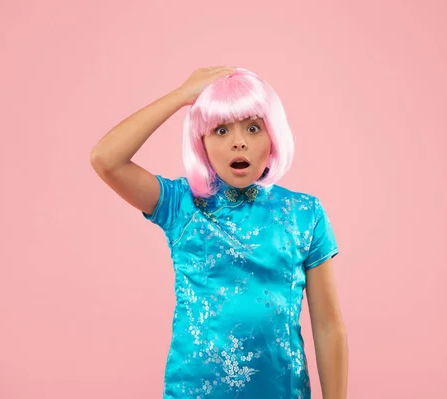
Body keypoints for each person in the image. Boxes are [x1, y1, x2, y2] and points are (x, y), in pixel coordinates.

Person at [90, 66, 348, 398]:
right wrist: (181, 97)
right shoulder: (180, 205)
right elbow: (105, 159)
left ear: (273, 137)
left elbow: (327, 327)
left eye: (253, 128)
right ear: (201, 142)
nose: (239, 142)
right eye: (221, 130)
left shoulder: (304, 214)